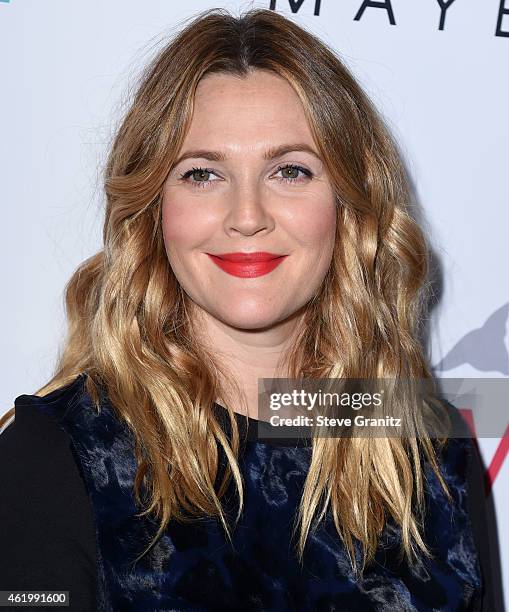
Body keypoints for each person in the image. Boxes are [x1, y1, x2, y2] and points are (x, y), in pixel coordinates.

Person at [0, 7, 490, 611]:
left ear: (347, 204)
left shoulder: (426, 444)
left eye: (290, 170)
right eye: (203, 174)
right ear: (154, 211)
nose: (248, 214)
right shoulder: (57, 455)